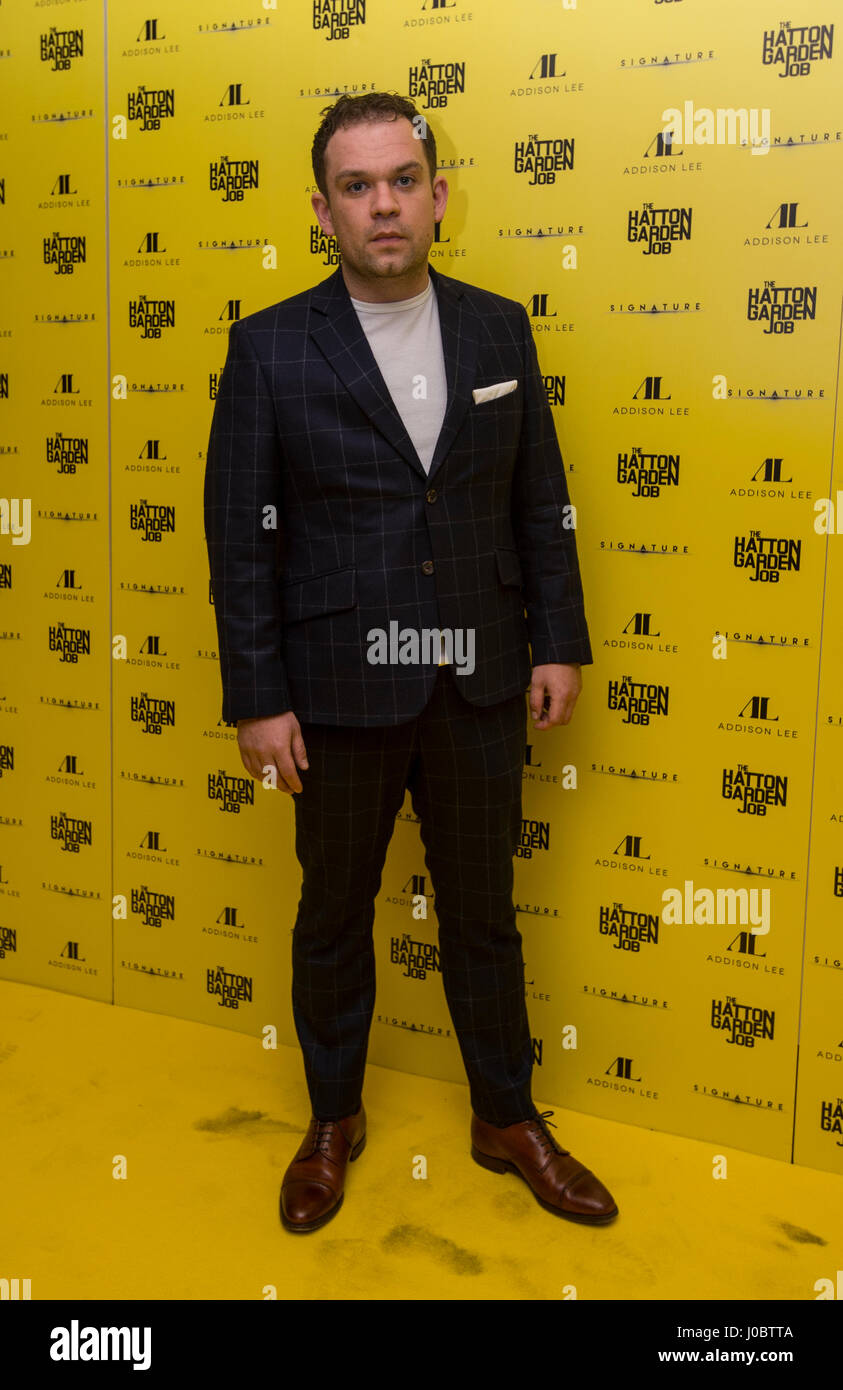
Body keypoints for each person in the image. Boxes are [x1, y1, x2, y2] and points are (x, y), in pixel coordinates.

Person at [204, 91, 618, 1233]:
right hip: (336, 687)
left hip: (481, 674)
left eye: (402, 180)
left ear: (440, 194)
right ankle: (332, 1118)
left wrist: (560, 640)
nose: (382, 204)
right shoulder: (271, 344)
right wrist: (259, 698)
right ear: (324, 209)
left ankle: (506, 1116)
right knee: (333, 912)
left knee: (485, 911)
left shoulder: (498, 330)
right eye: (356, 185)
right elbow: (241, 539)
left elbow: (543, 499)